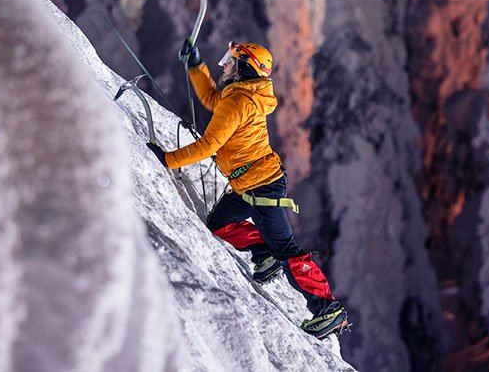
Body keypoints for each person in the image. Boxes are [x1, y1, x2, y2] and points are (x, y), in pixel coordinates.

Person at [146, 39, 348, 339]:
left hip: (261, 189)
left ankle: (327, 310)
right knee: (220, 224)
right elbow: (213, 98)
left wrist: (168, 159)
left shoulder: (239, 101)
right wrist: (195, 66)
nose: (225, 64)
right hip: (254, 184)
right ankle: (264, 252)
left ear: (243, 67)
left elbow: (208, 145)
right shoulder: (241, 95)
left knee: (288, 251)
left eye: (230, 61)